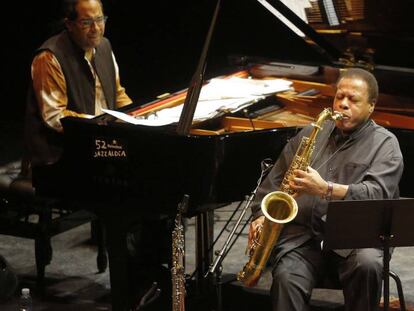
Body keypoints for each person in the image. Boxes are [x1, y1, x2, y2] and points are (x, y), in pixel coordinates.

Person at [248, 68, 404, 311]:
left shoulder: (385, 144)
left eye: (353, 100)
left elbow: (377, 193)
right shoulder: (310, 134)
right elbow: (273, 183)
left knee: (368, 264)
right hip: (305, 239)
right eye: (339, 97)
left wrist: (325, 189)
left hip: (357, 240)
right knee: (286, 276)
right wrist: (259, 216)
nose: (343, 105)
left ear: (371, 106)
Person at [23, 0, 132, 172]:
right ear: (69, 24)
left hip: (99, 143)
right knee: (127, 168)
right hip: (60, 153)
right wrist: (100, 127)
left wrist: (137, 120)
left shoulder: (104, 46)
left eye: (100, 19)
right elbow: (55, 117)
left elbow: (118, 95)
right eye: (86, 22)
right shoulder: (49, 57)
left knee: (144, 157)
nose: (96, 28)